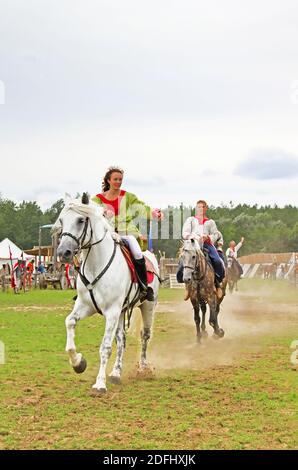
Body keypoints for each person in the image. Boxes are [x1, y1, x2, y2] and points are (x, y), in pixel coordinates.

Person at [92, 166, 163, 301]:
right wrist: (102, 211)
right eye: (115, 179)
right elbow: (91, 210)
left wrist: (153, 213)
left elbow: (142, 208)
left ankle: (144, 287)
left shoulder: (128, 196)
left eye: (120, 179)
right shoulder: (98, 199)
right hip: (106, 234)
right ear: (108, 181)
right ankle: (85, 289)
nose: (118, 182)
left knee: (137, 253)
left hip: (126, 233)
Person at [181, 200, 225, 300]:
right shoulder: (190, 220)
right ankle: (187, 287)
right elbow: (185, 232)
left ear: (206, 208)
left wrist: (208, 237)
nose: (200, 209)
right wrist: (190, 237)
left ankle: (218, 284)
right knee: (182, 262)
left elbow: (215, 234)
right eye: (198, 207)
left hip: (207, 245)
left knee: (218, 261)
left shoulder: (211, 222)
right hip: (192, 244)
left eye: (202, 207)